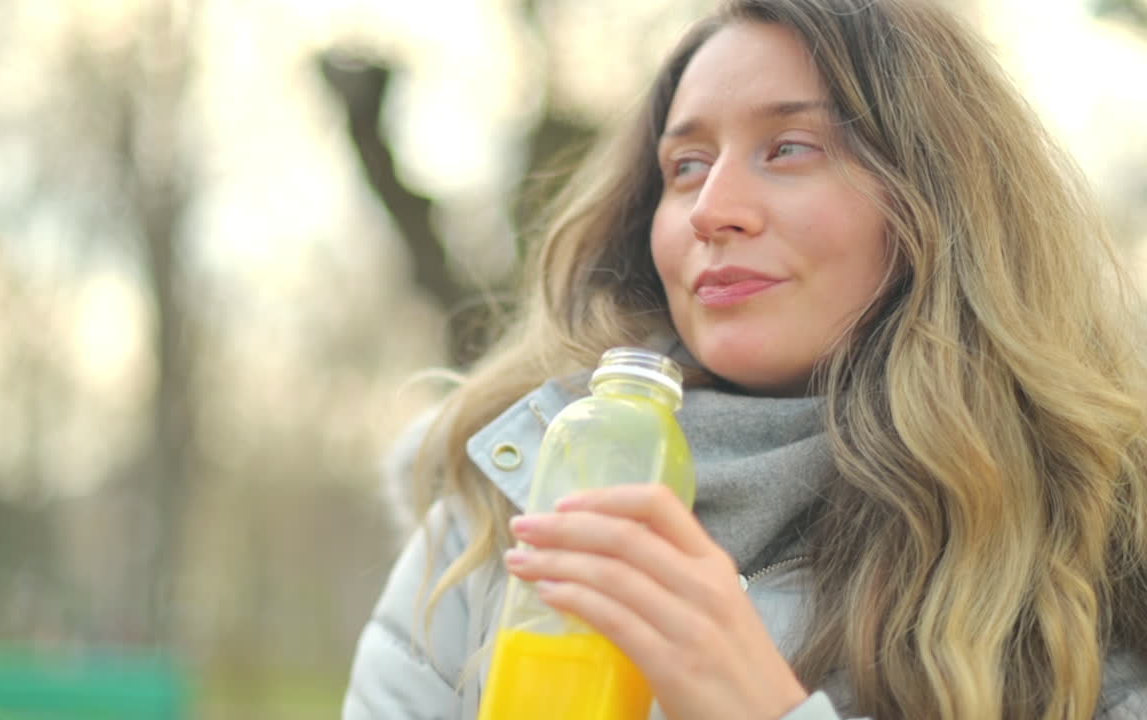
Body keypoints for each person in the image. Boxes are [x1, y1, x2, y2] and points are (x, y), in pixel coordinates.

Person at [342, 0, 1147, 717]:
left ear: (937, 201)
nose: (712, 211)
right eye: (685, 167)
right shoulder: (500, 512)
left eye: (789, 148)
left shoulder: (1093, 552)